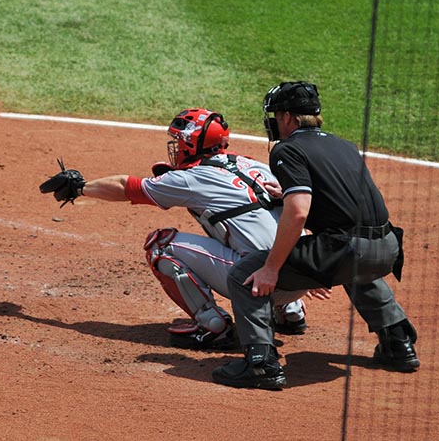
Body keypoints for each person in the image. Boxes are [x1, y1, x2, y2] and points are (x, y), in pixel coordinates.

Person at [40, 108, 317, 350]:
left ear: (189, 144)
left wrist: (79, 187)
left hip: (261, 282)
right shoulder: (253, 164)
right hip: (305, 274)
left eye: (178, 141)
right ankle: (290, 312)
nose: (174, 146)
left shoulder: (191, 178)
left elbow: (129, 188)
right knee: (249, 223)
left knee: (159, 245)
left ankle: (212, 325)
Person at [212, 81, 418, 390]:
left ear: (290, 118)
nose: (273, 121)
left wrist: (270, 268)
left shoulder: (287, 149)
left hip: (347, 251)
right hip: (387, 247)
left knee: (245, 273)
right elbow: (347, 198)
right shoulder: (344, 145)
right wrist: (289, 192)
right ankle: (398, 343)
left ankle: (260, 365)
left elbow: (298, 214)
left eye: (277, 115)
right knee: (355, 260)